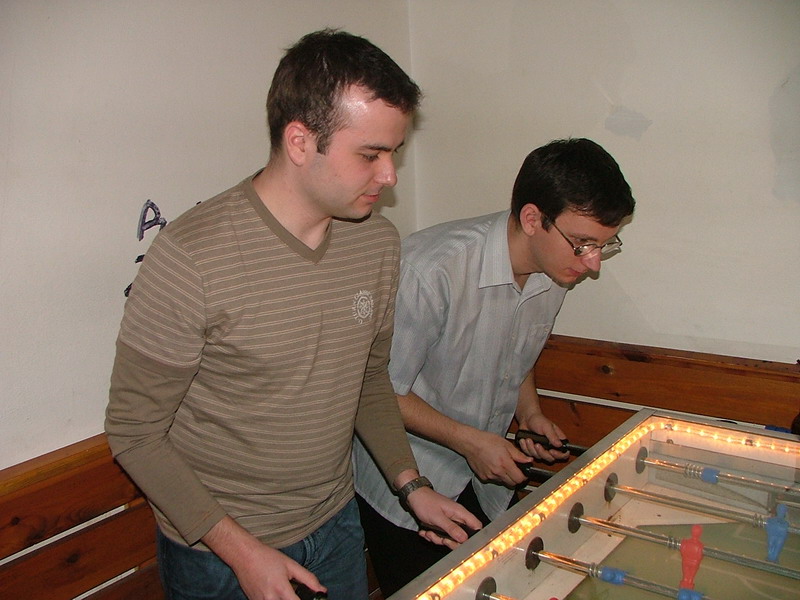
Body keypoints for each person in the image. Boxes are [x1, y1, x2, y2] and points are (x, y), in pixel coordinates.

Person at [105, 29, 481, 600]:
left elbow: (367, 379)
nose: (389, 176)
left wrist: (412, 486)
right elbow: (135, 434)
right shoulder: (192, 257)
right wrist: (241, 552)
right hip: (219, 552)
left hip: (335, 523)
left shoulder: (377, 244)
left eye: (394, 153)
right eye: (370, 155)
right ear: (301, 142)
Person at [353, 138, 636, 595]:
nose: (593, 263)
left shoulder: (556, 270)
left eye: (605, 245)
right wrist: (471, 442)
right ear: (532, 218)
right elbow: (378, 390)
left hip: (481, 478)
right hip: (405, 484)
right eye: (583, 243)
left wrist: (531, 415)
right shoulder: (432, 269)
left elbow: (515, 353)